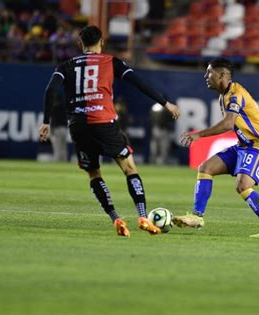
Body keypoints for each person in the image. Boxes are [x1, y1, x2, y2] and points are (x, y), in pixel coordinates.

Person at [38, 25, 180, 237]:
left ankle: (116, 219)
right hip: (104, 122)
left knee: (94, 173)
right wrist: (166, 102)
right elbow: (138, 83)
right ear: (101, 43)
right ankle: (142, 216)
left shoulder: (65, 65)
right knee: (129, 168)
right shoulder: (111, 61)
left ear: (80, 44)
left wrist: (46, 121)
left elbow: (50, 89)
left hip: (78, 126)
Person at [174, 58, 259, 238]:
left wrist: (199, 134)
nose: (206, 76)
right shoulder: (223, 96)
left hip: (258, 146)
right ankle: (197, 216)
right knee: (206, 168)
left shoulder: (235, 94)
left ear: (222, 75)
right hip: (243, 146)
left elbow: (228, 124)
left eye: (209, 72)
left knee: (243, 186)